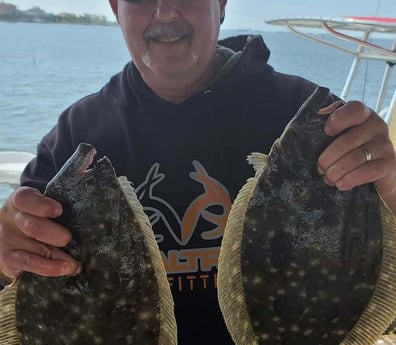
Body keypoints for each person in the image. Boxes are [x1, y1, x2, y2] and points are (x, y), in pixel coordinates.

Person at [0, 0, 395, 343]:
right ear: (115, 9)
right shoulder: (75, 132)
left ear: (220, 5)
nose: (165, 11)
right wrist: (7, 247)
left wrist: (391, 192)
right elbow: (16, 272)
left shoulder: (318, 121)